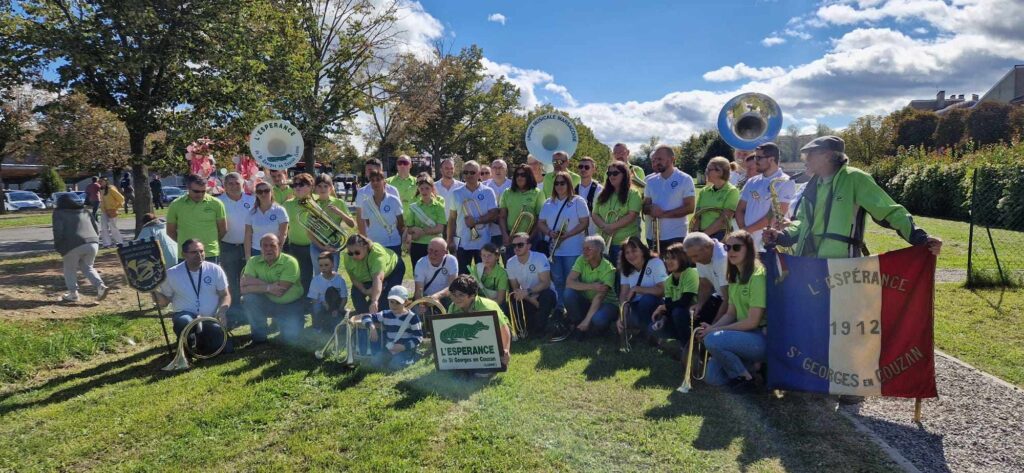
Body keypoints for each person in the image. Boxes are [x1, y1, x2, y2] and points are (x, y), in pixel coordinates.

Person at [764, 136, 943, 258]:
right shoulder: (813, 185)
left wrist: (921, 238)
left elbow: (889, 212)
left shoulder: (855, 178)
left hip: (842, 267)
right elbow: (802, 222)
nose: (806, 160)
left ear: (826, 156)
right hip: (809, 264)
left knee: (840, 314)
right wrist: (781, 235)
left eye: (810, 155)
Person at [695, 231, 766, 393]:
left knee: (713, 340)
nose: (731, 252)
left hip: (761, 337)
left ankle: (745, 379)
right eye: (727, 247)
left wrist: (715, 331)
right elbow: (730, 314)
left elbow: (752, 322)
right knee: (712, 378)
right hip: (744, 337)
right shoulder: (735, 276)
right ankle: (753, 369)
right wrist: (712, 328)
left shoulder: (758, 276)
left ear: (748, 249)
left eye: (736, 247)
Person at [154, 239, 231, 352]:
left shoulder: (215, 269)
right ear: (183, 254)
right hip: (185, 315)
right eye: (194, 252)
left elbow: (225, 295)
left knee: (226, 350)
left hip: (210, 317)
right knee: (183, 321)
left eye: (201, 251)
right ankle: (187, 347)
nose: (199, 255)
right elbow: (164, 302)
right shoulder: (171, 273)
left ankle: (201, 340)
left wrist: (223, 311)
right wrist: (153, 290)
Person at [537, 171, 590, 313]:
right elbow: (540, 222)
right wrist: (549, 232)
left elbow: (584, 222)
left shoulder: (578, 201)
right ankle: (561, 307)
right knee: (558, 280)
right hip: (554, 249)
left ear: (569, 184)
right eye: (557, 183)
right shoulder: (548, 202)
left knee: (571, 280)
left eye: (563, 183)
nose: (559, 186)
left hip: (573, 248)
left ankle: (574, 309)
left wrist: (567, 235)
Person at [240, 233, 306, 344]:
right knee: (249, 298)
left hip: (290, 304)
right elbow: (244, 289)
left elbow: (280, 291)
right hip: (267, 302)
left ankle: (295, 320)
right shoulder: (252, 261)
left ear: (280, 247)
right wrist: (269, 287)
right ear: (260, 248)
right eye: (265, 246)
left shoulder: (290, 262)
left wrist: (255, 283)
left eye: (272, 245)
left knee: (290, 339)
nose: (268, 249)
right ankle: (259, 337)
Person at [735, 142, 795, 252]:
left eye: (758, 157)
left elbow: (777, 214)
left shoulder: (786, 181)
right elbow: (740, 209)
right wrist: (744, 232)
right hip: (748, 241)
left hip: (769, 243)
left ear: (771, 160)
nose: (755, 161)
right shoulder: (752, 181)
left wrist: (747, 230)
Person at [351, 285, 423, 370]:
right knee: (375, 361)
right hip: (390, 349)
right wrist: (372, 327)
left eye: (398, 303)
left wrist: (403, 347)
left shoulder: (412, 318)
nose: (394, 305)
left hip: (405, 349)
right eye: (391, 302)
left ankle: (414, 357)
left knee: (395, 366)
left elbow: (418, 337)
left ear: (406, 302)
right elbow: (365, 317)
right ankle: (394, 360)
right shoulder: (385, 314)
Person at [52, 193, 108, 302]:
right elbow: (96, 227)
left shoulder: (59, 213)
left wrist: (58, 245)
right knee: (88, 267)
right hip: (93, 243)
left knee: (70, 269)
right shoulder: (85, 211)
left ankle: (73, 294)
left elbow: (58, 230)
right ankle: (100, 286)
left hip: (72, 244)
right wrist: (95, 239)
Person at [447, 275, 511, 369]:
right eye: (453, 294)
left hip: (496, 332)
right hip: (471, 335)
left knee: (483, 371)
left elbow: (504, 330)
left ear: (472, 295)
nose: (456, 298)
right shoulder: (452, 307)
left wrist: (505, 351)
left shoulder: (487, 307)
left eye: (461, 295)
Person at [447, 160, 498, 274]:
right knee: (463, 276)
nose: (469, 175)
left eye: (472, 172)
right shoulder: (456, 193)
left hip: (483, 242)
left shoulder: (488, 191)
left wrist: (475, 221)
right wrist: (450, 240)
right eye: (466, 172)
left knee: (485, 275)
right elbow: (452, 218)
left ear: (479, 174)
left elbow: (494, 214)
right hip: (463, 242)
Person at [564, 236, 618, 340]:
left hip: (606, 303)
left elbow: (600, 297)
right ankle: (577, 325)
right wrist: (592, 286)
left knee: (599, 320)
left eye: (589, 249)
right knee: (568, 293)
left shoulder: (609, 269)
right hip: (588, 300)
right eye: (583, 248)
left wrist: (587, 320)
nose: (585, 252)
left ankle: (594, 328)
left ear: (599, 250)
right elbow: (569, 283)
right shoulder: (581, 259)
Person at [643, 145, 695, 252]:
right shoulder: (650, 181)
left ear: (672, 159)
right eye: (655, 159)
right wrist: (650, 209)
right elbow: (644, 207)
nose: (656, 162)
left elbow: (690, 207)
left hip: (676, 236)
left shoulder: (685, 179)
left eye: (660, 159)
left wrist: (663, 214)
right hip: (653, 237)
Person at [651, 243, 699, 358]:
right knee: (653, 327)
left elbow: (684, 302)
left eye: (673, 258)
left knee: (678, 312)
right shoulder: (668, 280)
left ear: (683, 258)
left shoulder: (691, 273)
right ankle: (678, 343)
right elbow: (668, 304)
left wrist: (663, 307)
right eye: (666, 258)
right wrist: (662, 316)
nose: (668, 261)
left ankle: (687, 348)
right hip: (679, 314)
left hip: (696, 316)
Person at [218, 172, 256, 316]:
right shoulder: (218, 202)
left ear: (243, 184)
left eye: (237, 183)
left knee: (248, 278)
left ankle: (250, 307)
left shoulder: (252, 200)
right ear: (225, 186)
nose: (234, 186)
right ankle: (235, 309)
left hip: (249, 246)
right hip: (227, 246)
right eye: (230, 183)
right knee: (231, 279)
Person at [166, 174, 227, 262]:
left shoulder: (216, 203)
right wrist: (186, 245)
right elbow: (170, 231)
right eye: (196, 191)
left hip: (210, 253)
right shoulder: (176, 205)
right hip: (186, 254)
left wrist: (211, 242)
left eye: (203, 191)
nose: (200, 194)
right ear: (188, 188)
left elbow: (223, 230)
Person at [505, 232, 557, 337]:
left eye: (520, 245)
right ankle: (521, 329)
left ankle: (539, 330)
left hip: (543, 294)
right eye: (514, 245)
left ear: (529, 246)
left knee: (547, 294)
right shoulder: (510, 262)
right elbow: (515, 288)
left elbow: (546, 283)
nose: (516, 248)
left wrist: (528, 292)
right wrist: (530, 298)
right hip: (527, 297)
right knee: (513, 298)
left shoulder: (540, 257)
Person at [617, 237, 666, 342]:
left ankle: (653, 332)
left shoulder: (656, 263)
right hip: (634, 306)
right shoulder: (625, 268)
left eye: (634, 251)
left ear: (643, 251)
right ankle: (645, 329)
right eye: (627, 252)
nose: (630, 255)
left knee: (646, 300)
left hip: (655, 303)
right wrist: (621, 317)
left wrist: (637, 289)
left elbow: (663, 290)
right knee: (629, 319)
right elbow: (623, 295)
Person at [341, 234, 405, 314]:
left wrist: (374, 301)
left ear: (365, 247)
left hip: (393, 271)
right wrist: (364, 290)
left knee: (383, 305)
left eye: (357, 252)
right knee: (356, 294)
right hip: (368, 276)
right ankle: (365, 318)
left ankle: (380, 319)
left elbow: (378, 279)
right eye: (350, 253)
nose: (353, 256)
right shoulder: (347, 257)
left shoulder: (377, 254)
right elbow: (353, 278)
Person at [592, 161, 642, 263]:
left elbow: (632, 215)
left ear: (624, 175)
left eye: (615, 173)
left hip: (624, 244)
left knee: (622, 277)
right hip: (602, 242)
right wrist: (604, 226)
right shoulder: (602, 193)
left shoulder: (634, 193)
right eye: (609, 173)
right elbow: (594, 214)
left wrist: (611, 227)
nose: (611, 176)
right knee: (605, 276)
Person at [683, 232, 730, 328]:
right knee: (697, 320)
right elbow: (705, 286)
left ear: (708, 247)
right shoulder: (702, 256)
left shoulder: (721, 259)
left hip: (734, 302)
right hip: (720, 297)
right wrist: (700, 305)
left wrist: (713, 326)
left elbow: (728, 298)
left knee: (708, 329)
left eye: (695, 256)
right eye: (691, 257)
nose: (694, 261)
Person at [498, 164, 544, 260]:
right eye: (517, 175)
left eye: (523, 175)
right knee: (511, 266)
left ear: (529, 176)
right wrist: (505, 235)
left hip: (531, 237)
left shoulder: (537, 193)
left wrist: (530, 238)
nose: (520, 177)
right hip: (511, 236)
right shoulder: (507, 192)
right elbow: (502, 216)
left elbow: (540, 219)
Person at [311, 173, 355, 269]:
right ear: (315, 188)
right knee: (319, 275)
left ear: (331, 188)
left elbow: (352, 224)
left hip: (334, 244)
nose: (322, 189)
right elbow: (308, 230)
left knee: (333, 273)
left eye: (325, 186)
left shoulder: (338, 203)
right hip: (316, 244)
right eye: (319, 186)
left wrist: (339, 212)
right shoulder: (311, 203)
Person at [281, 173, 316, 291]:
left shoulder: (317, 202)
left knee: (316, 275)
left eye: (301, 184)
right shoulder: (287, 204)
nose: (297, 187)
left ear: (311, 186)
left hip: (315, 246)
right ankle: (302, 298)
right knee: (299, 274)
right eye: (294, 185)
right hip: (295, 246)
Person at [404, 173, 447, 268]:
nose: (424, 191)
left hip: (435, 245)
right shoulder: (413, 207)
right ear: (418, 189)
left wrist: (422, 232)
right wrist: (414, 230)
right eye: (422, 188)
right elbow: (409, 228)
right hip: (417, 245)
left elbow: (440, 228)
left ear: (432, 188)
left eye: (427, 188)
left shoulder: (439, 206)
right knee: (418, 275)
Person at [694, 157, 741, 241]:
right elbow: (697, 215)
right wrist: (696, 232)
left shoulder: (732, 191)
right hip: (701, 235)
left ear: (720, 172)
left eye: (709, 169)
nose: (706, 172)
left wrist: (704, 235)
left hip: (720, 235)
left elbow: (724, 219)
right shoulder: (704, 191)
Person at [359, 170, 405, 256]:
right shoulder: (366, 203)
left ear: (384, 182)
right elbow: (368, 224)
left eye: (378, 179)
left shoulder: (394, 200)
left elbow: (401, 224)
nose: (375, 182)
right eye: (372, 180)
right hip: (374, 244)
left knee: (395, 269)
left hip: (393, 243)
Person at [245, 181, 289, 261]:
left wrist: (278, 251)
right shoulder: (251, 213)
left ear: (271, 192)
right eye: (259, 192)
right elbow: (248, 236)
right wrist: (248, 256)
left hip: (274, 251)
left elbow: (283, 234)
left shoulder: (280, 210)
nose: (263, 194)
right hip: (256, 251)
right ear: (256, 194)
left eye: (266, 191)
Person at [308, 251, 348, 333]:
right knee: (315, 307)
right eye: (321, 265)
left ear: (333, 265)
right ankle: (317, 325)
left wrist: (339, 308)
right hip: (322, 305)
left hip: (336, 305)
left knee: (337, 328)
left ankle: (335, 319)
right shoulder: (316, 280)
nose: (323, 268)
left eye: (326, 265)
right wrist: (324, 304)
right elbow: (314, 299)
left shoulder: (340, 280)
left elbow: (344, 297)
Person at [413, 237, 458, 305]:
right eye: (430, 250)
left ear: (445, 252)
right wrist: (421, 304)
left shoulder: (452, 260)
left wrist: (437, 296)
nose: (432, 255)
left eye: (436, 252)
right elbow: (419, 291)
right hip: (426, 297)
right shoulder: (421, 263)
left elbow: (452, 287)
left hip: (446, 296)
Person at [470, 243, 509, 310]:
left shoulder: (502, 273)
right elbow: (470, 290)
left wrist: (484, 307)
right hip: (477, 303)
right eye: (483, 256)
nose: (486, 258)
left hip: (495, 305)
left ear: (497, 257)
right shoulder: (476, 268)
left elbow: (500, 300)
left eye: (489, 255)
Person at [484, 159, 511, 247]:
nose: (497, 170)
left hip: (508, 229)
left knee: (507, 258)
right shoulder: (484, 186)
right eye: (494, 168)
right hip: (489, 230)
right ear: (491, 170)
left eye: (500, 167)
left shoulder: (513, 185)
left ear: (506, 170)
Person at [98, 177, 125, 248]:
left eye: (101, 181)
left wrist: (115, 208)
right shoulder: (101, 190)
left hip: (112, 210)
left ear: (106, 182)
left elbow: (121, 199)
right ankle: (107, 244)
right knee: (103, 227)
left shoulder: (111, 189)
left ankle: (119, 242)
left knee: (113, 227)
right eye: (99, 181)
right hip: (104, 211)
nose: (100, 182)